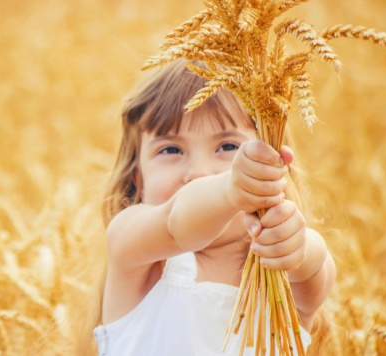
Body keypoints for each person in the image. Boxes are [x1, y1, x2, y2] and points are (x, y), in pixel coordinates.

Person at [90, 59, 336, 355]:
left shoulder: (279, 279)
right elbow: (175, 225)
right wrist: (229, 189)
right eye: (171, 150)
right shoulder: (133, 253)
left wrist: (298, 244)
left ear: (270, 162)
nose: (199, 172)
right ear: (136, 177)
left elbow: (315, 269)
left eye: (227, 147)